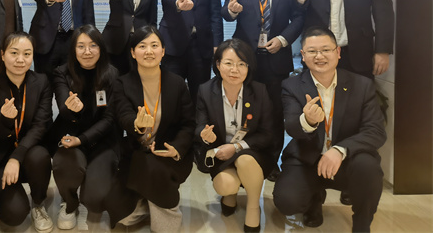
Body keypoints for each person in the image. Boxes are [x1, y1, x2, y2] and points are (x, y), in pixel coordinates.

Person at [273, 26, 386, 232]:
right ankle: (315, 199)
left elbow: (375, 131)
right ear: (303, 55)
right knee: (287, 201)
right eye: (312, 51)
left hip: (347, 159)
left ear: (338, 52)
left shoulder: (361, 85)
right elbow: (291, 127)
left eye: (326, 50)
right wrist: (308, 121)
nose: (319, 56)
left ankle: (362, 224)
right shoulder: (292, 86)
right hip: (307, 158)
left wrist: (340, 150)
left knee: (368, 168)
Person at [222, 0, 304, 180]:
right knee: (245, 110)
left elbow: (299, 18)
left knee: (274, 112)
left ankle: (271, 162)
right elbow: (225, 13)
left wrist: (283, 39)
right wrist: (232, 11)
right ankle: (244, 156)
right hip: (245, 60)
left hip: (276, 57)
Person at [107, 25, 195, 232]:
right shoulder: (122, 83)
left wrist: (176, 148)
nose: (149, 51)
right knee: (120, 212)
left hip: (167, 152)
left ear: (163, 51)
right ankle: (145, 200)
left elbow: (189, 124)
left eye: (154, 46)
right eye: (142, 46)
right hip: (136, 152)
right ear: (132, 52)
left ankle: (164, 214)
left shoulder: (177, 83)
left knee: (155, 173)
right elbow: (123, 114)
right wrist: (136, 124)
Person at [195, 39, 275, 232]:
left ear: (248, 67)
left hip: (252, 151)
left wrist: (237, 147)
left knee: (244, 160)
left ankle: (253, 207)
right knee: (225, 186)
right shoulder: (206, 91)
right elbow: (199, 126)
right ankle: (231, 193)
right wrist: (205, 136)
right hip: (221, 153)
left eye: (241, 64)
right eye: (228, 63)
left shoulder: (259, 91)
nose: (234, 70)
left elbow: (267, 134)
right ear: (218, 64)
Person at [0, 32, 53, 232]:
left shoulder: (42, 82)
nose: (21, 59)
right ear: (3, 55)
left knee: (40, 155)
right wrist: (5, 119)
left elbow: (40, 126)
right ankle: (0, 199)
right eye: (14, 53)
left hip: (27, 153)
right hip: (0, 159)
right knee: (15, 215)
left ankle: (38, 204)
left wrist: (17, 158)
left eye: (27, 54)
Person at [48, 25, 120, 229]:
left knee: (94, 198)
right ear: (73, 50)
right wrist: (73, 110)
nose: (87, 51)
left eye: (93, 45)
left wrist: (83, 139)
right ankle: (70, 203)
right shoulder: (62, 73)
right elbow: (63, 109)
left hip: (102, 139)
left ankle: (87, 196)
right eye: (81, 46)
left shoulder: (112, 74)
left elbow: (109, 119)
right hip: (71, 133)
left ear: (101, 48)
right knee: (64, 163)